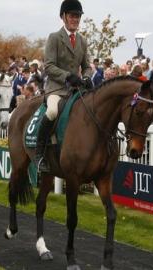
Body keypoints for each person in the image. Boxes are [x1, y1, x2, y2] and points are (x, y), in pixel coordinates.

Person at [35, 0, 93, 172]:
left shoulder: (82, 40)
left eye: (78, 16)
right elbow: (49, 66)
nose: (75, 19)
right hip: (57, 88)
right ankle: (39, 153)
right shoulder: (54, 37)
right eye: (72, 16)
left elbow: (87, 66)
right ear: (64, 17)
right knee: (52, 111)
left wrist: (88, 77)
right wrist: (68, 76)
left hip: (76, 90)